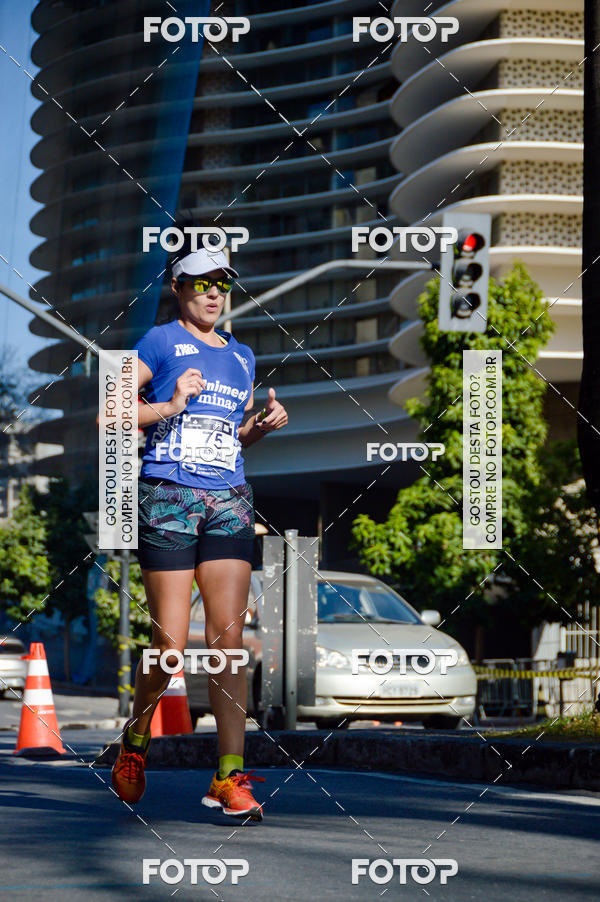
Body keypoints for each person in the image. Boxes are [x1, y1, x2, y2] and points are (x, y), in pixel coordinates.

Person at [110, 246, 288, 821]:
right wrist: (170, 404)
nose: (213, 293)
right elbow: (111, 413)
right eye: (201, 283)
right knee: (170, 648)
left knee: (227, 642)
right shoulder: (159, 341)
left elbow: (231, 436)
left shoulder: (242, 355)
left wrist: (259, 428)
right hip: (169, 498)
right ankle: (136, 740)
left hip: (229, 499)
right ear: (178, 289)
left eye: (222, 284)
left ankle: (228, 777)